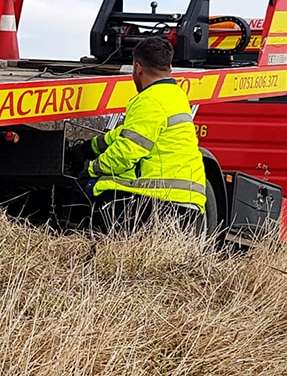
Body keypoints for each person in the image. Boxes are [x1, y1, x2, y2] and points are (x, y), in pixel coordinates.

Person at [79, 36, 208, 233]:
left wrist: (91, 169)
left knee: (85, 191)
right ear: (170, 67)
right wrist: (92, 146)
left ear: (138, 68)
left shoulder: (149, 100)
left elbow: (126, 152)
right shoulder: (175, 96)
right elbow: (131, 134)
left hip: (158, 201)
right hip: (187, 201)